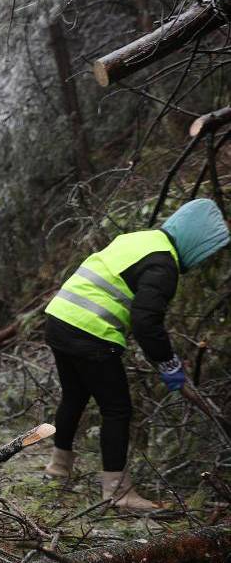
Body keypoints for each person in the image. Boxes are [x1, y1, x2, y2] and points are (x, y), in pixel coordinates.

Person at [42, 198, 228, 510]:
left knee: (74, 396)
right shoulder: (164, 263)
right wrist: (168, 364)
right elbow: (146, 323)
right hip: (90, 331)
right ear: (196, 241)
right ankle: (118, 494)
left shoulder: (140, 239)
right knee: (117, 410)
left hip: (60, 319)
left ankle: (58, 468)